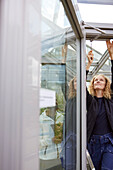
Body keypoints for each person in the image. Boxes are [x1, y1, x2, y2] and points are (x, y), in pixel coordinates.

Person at [86, 40, 113, 170]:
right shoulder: (90, 101)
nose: (97, 80)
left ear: (106, 84)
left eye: (101, 79)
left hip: (109, 142)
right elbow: (80, 86)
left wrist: (111, 55)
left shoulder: (110, 99)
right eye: (95, 79)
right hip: (93, 143)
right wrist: (88, 65)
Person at [60, 77, 76, 170]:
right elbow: (62, 84)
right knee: (69, 165)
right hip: (69, 135)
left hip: (82, 136)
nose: (77, 83)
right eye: (75, 81)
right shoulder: (69, 98)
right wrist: (63, 62)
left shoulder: (87, 98)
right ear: (72, 84)